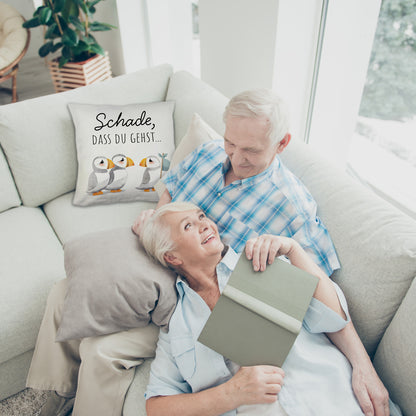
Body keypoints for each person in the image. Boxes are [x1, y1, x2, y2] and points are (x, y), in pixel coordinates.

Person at [133, 89, 389, 414]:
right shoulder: (209, 154)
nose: (236, 158)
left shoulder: (288, 218)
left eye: (250, 150)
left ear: (281, 144)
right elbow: (172, 186)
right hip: (170, 289)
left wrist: (363, 366)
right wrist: (159, 224)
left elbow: (323, 301)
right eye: (231, 143)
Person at [140, 202, 398, 416]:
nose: (205, 224)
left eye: (202, 216)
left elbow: (333, 318)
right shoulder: (177, 326)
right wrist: (231, 393)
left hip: (338, 401)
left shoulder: (261, 261)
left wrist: (294, 250)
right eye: (188, 226)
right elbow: (157, 407)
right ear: (172, 257)